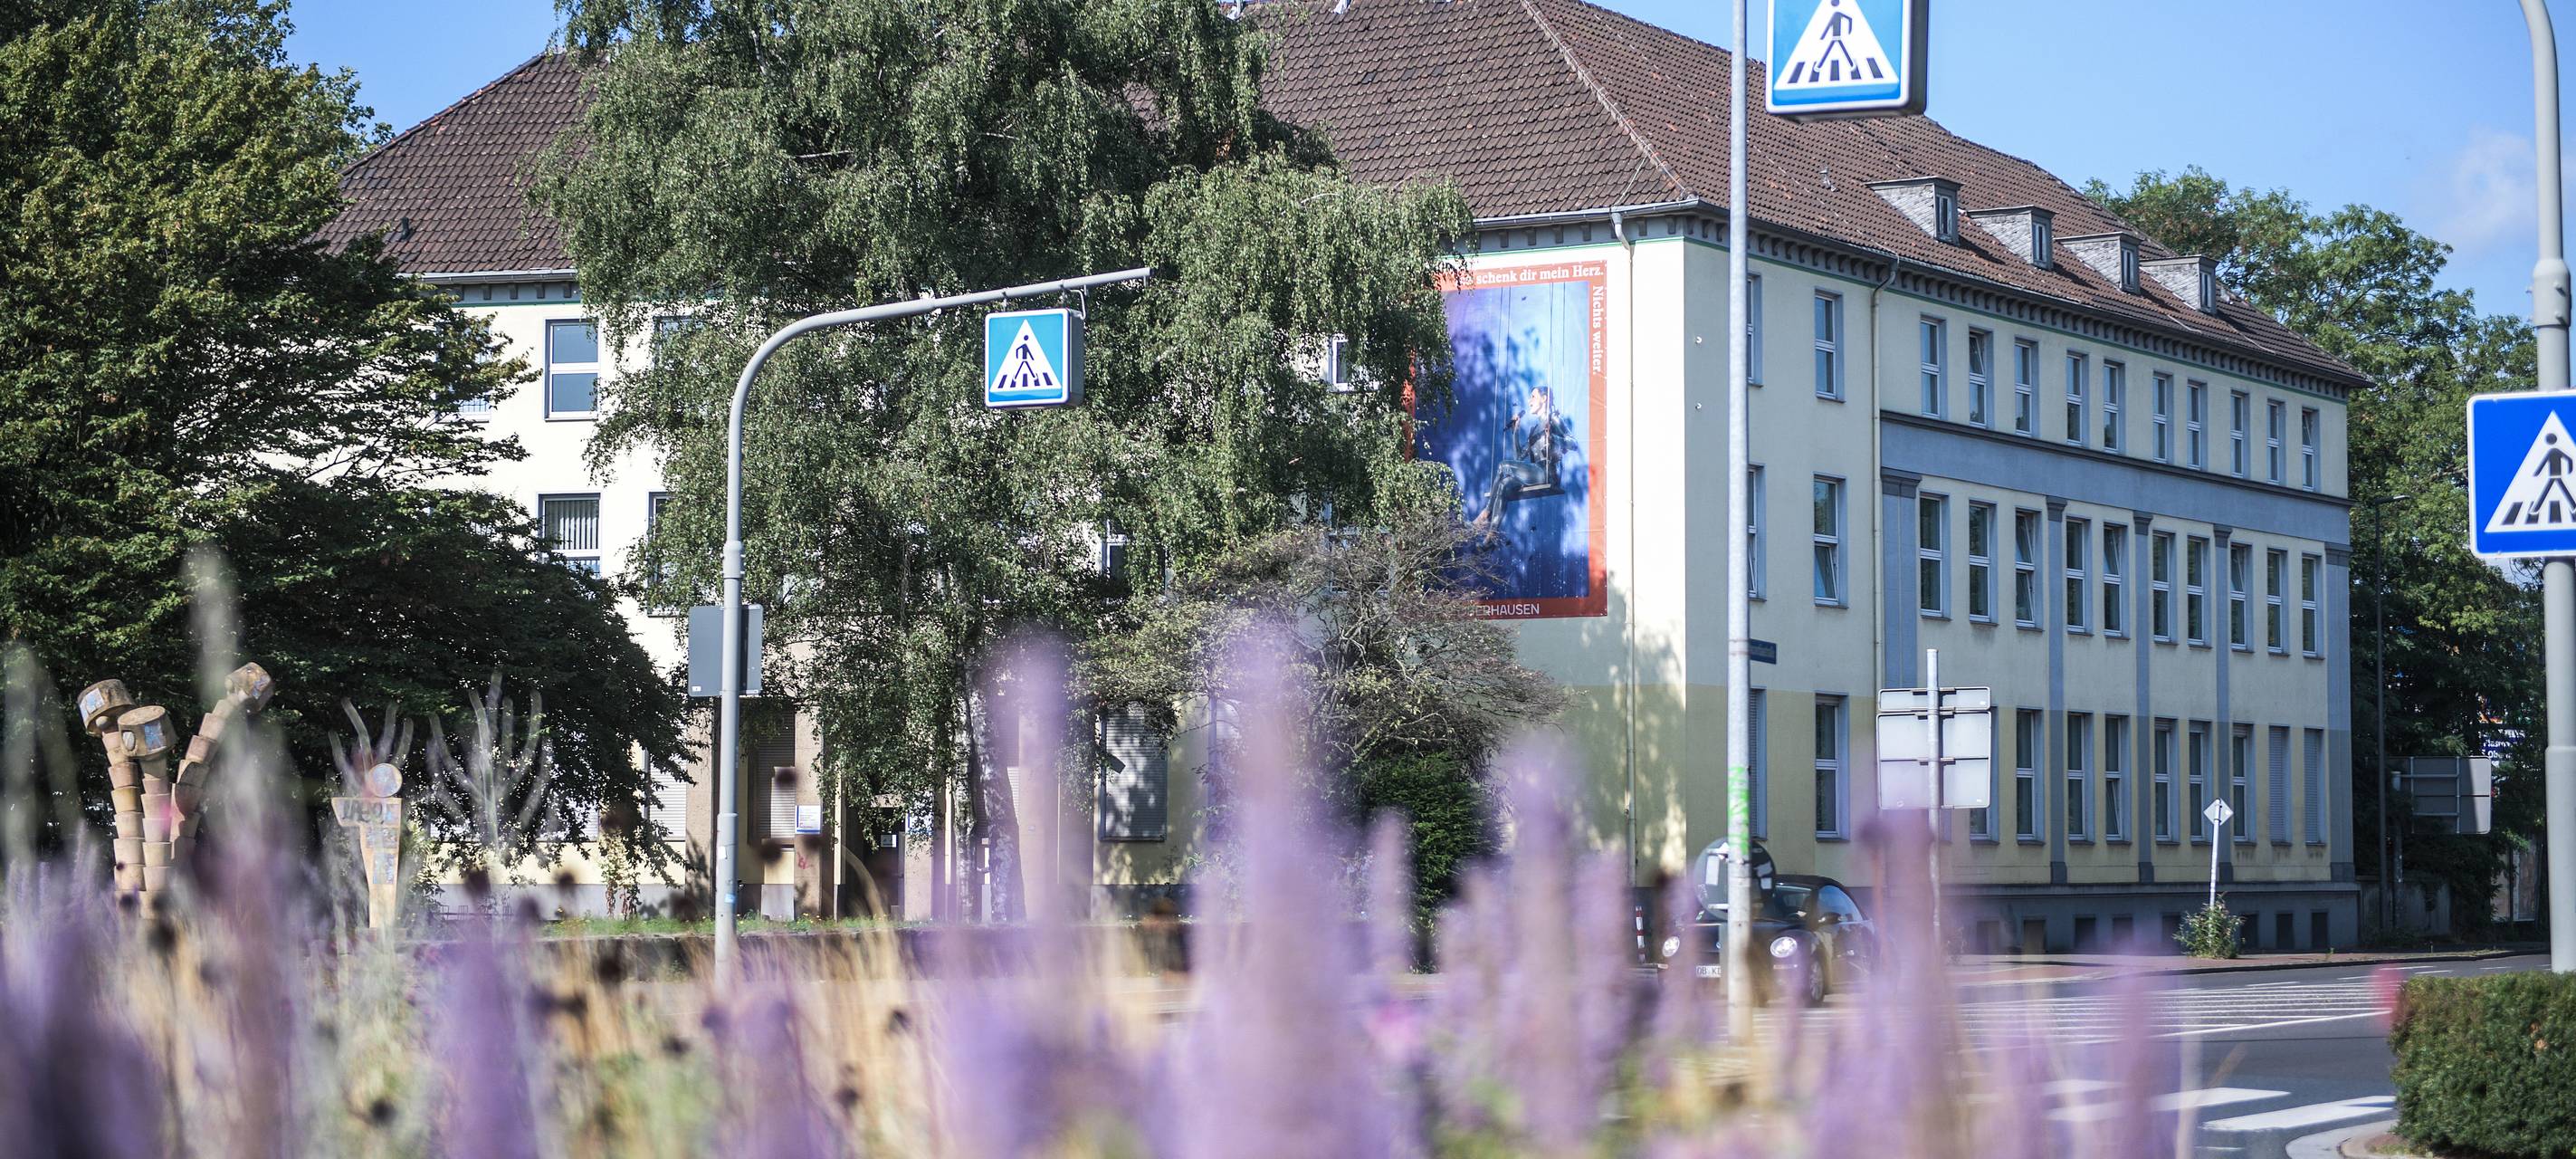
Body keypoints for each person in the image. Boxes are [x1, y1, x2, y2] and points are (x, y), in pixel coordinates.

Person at [1472, 383, 1567, 542]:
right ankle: (1490, 538)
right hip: (1535, 471)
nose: (1529, 400)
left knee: (1503, 466)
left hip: (1547, 472)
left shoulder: (1554, 419)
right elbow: (1519, 457)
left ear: (1544, 399)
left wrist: (1553, 437)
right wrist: (1515, 432)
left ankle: (1486, 513)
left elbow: (1573, 443)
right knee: (1504, 484)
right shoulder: (1534, 429)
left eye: (1533, 396)